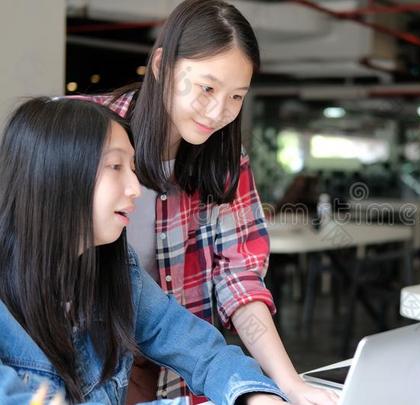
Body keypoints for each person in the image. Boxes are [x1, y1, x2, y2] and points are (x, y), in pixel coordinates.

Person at [81, 1, 338, 404]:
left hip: (184, 366)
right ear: (163, 65)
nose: (219, 112)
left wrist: (289, 385)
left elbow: (240, 280)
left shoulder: (225, 163)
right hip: (89, 365)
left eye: (236, 96)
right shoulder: (87, 133)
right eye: (207, 88)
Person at [0, 97, 288, 405]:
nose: (135, 187)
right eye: (115, 166)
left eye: (133, 168)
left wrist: (254, 396)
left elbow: (202, 351)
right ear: (54, 173)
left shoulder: (118, 270)